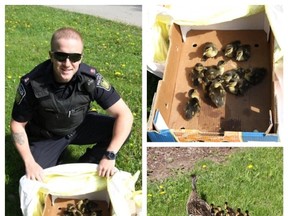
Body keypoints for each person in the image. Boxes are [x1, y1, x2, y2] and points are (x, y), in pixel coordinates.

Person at [10, 27, 134, 181]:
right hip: (47, 135)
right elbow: (17, 125)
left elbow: (125, 115)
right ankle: (53, 155)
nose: (67, 63)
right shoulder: (32, 83)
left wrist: (110, 155)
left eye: (74, 57)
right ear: (51, 56)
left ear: (81, 58)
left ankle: (89, 164)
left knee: (122, 128)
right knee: (40, 180)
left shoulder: (90, 79)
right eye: (61, 56)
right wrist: (29, 162)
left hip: (79, 126)